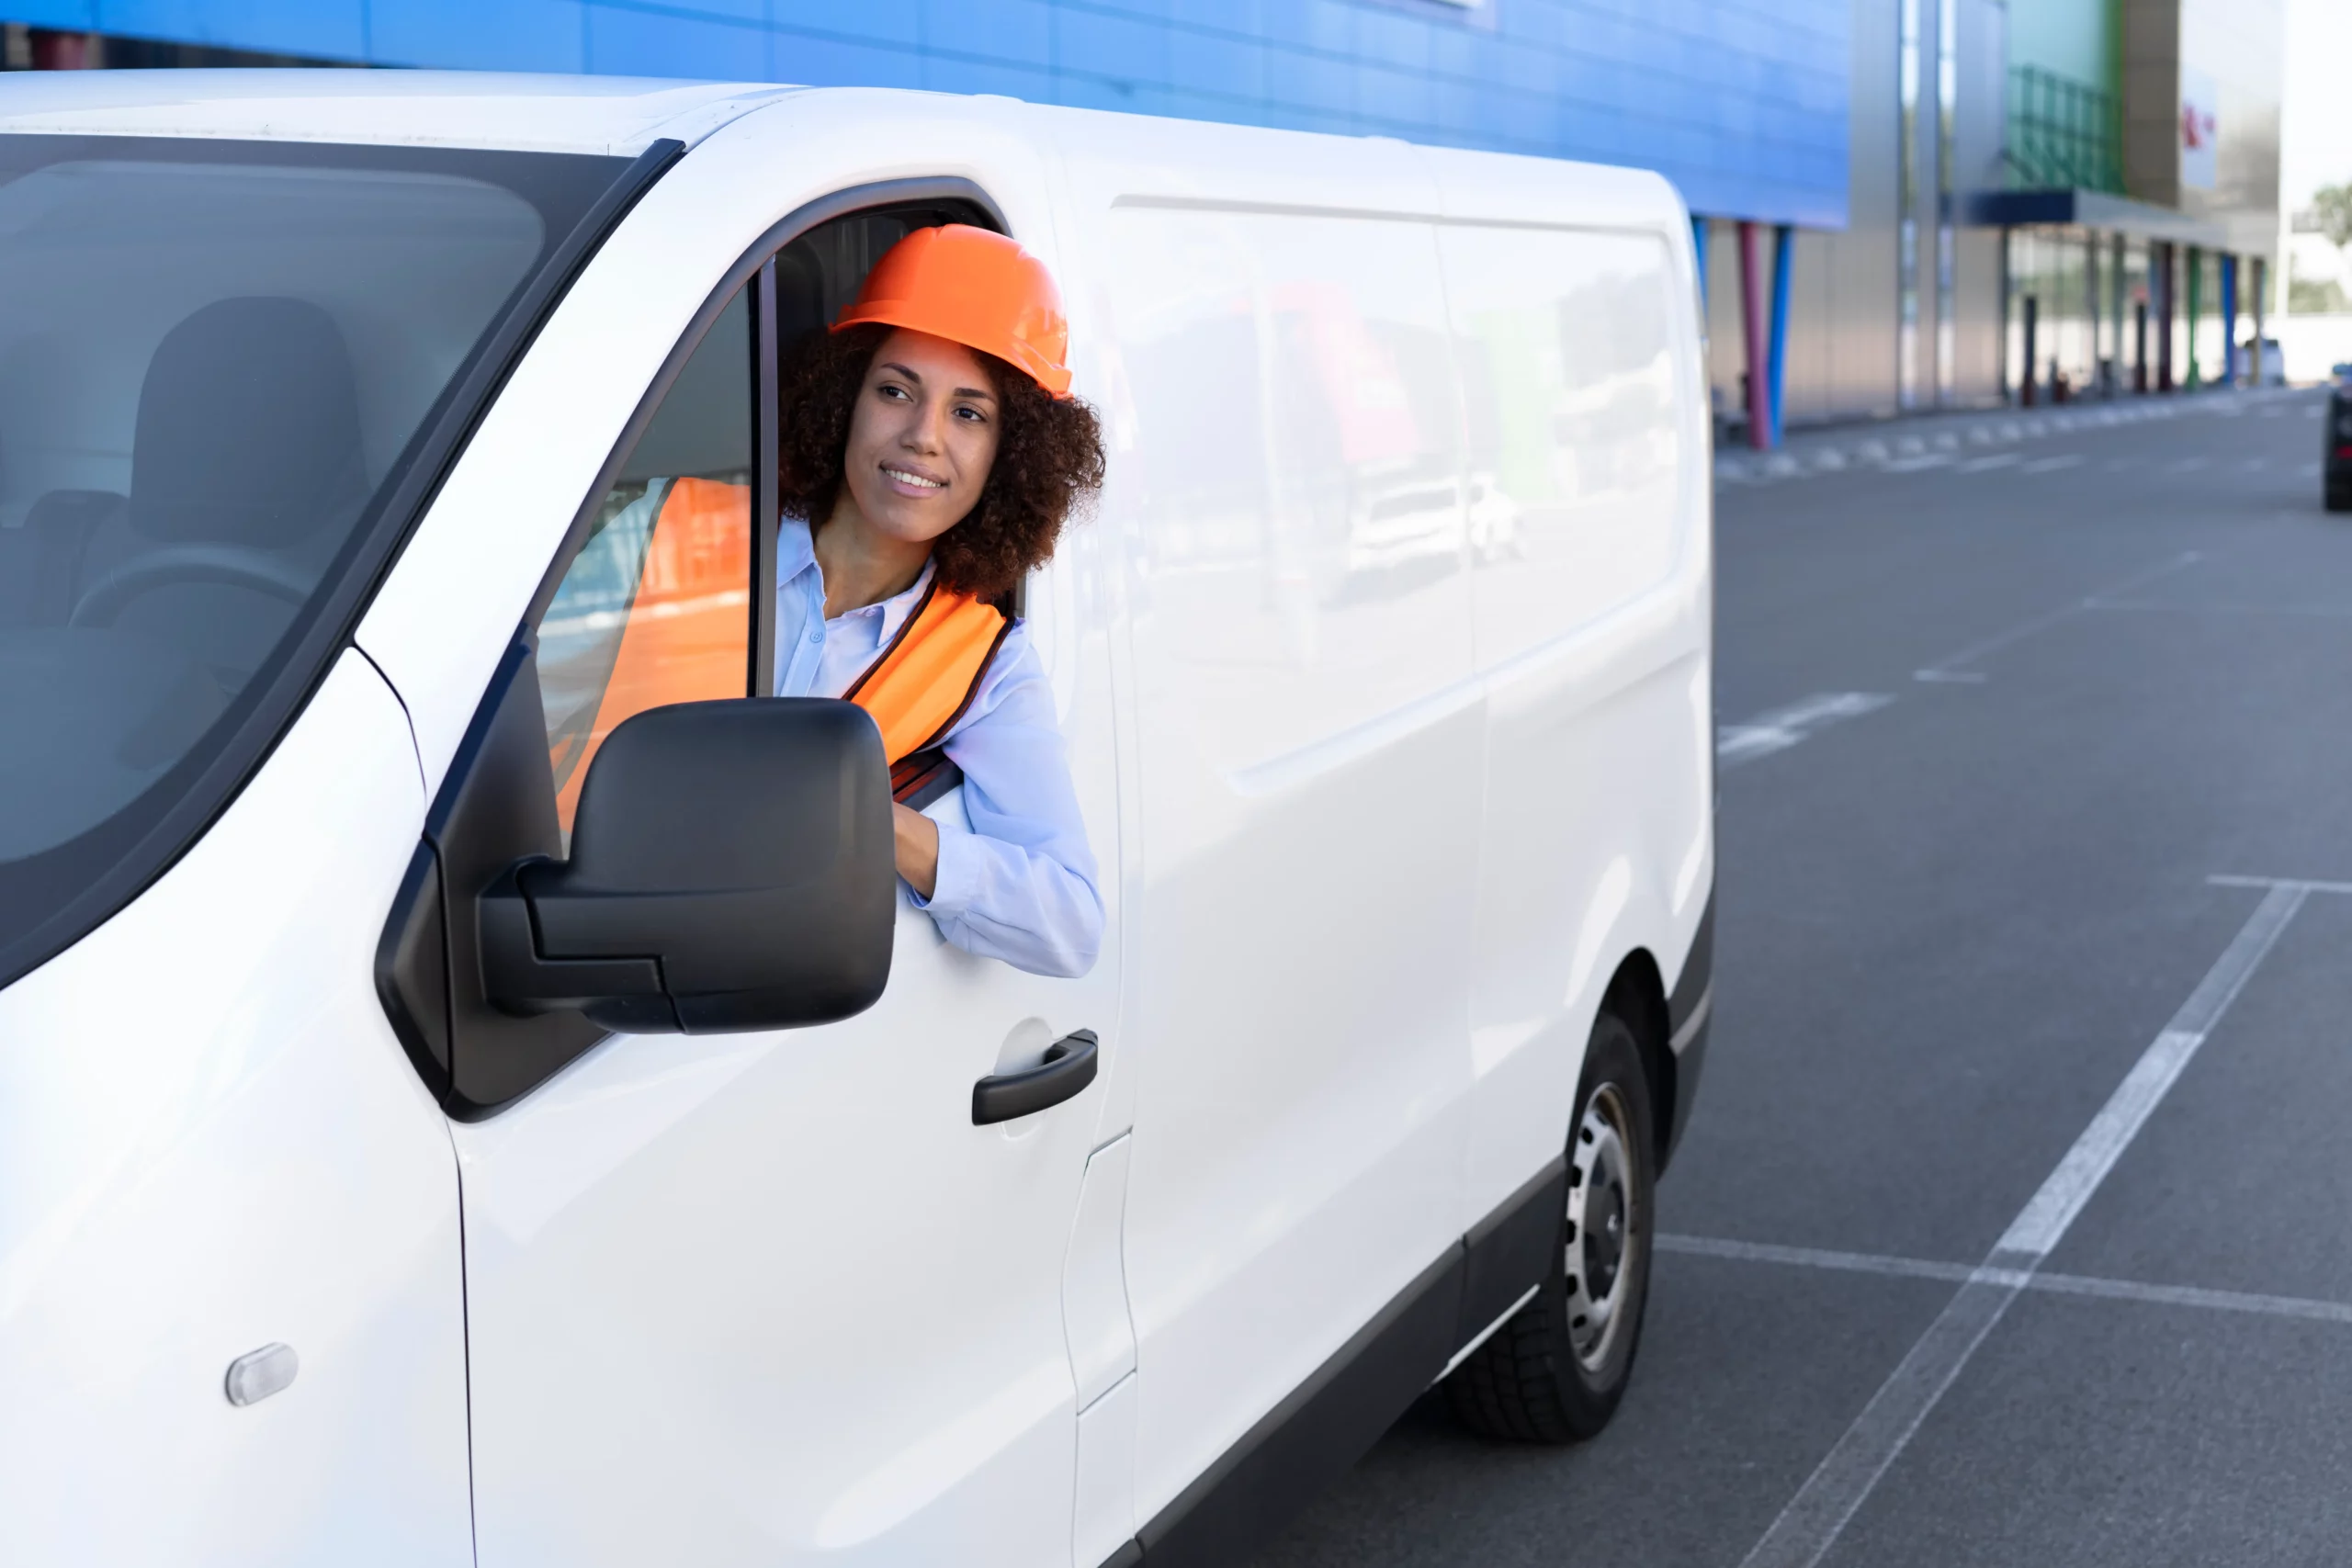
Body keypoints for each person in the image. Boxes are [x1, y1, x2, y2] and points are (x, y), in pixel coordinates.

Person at [772, 224, 1107, 978]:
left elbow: (1071, 923)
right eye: (896, 391)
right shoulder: (679, 530)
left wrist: (878, 825)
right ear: (843, 400)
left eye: (968, 413)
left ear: (1010, 454)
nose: (923, 437)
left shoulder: (987, 665)